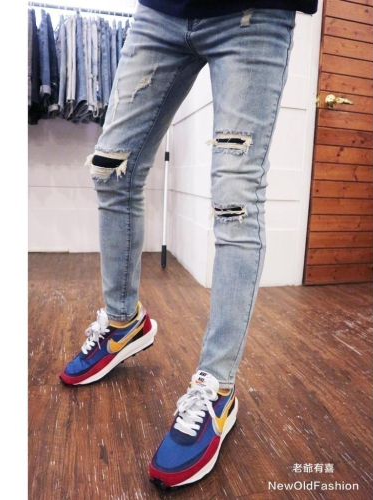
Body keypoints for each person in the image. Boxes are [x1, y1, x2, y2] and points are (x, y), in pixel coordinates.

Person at [60, 0, 318, 489]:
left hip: (254, 14)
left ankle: (216, 388)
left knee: (235, 199)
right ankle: (123, 323)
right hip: (161, 11)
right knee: (111, 169)